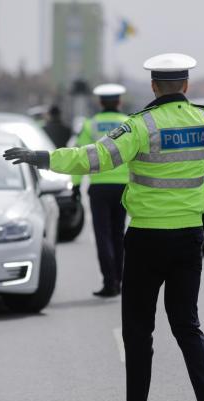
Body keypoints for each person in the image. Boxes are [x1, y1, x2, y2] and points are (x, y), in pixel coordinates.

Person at [4, 53, 204, 401]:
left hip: (147, 240)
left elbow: (94, 158)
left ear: (154, 86)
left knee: (138, 331)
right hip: (189, 238)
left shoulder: (140, 126)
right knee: (187, 325)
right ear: (185, 86)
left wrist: (43, 158)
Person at [73, 83, 130, 297]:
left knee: (103, 236)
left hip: (99, 187)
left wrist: (76, 185)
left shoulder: (90, 125)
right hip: (123, 187)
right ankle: (121, 280)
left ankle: (110, 283)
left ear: (100, 102)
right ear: (119, 101)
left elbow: (80, 157)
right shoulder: (127, 124)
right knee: (119, 234)